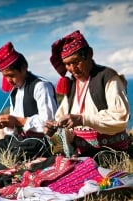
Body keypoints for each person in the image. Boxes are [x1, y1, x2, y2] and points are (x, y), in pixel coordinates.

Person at [44, 30, 130, 158]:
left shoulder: (108, 77)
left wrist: (82, 119)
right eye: (67, 64)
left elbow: (120, 118)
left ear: (89, 54)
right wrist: (53, 129)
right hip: (82, 154)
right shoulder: (72, 85)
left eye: (76, 61)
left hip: (111, 154)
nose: (72, 68)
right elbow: (63, 122)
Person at [0, 41, 58, 163]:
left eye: (12, 75)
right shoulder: (14, 92)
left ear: (24, 68)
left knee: (14, 156)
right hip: (20, 140)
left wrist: (18, 121)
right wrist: (7, 125)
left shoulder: (41, 86)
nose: (9, 80)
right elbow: (14, 129)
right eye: (5, 76)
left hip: (40, 141)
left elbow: (50, 123)